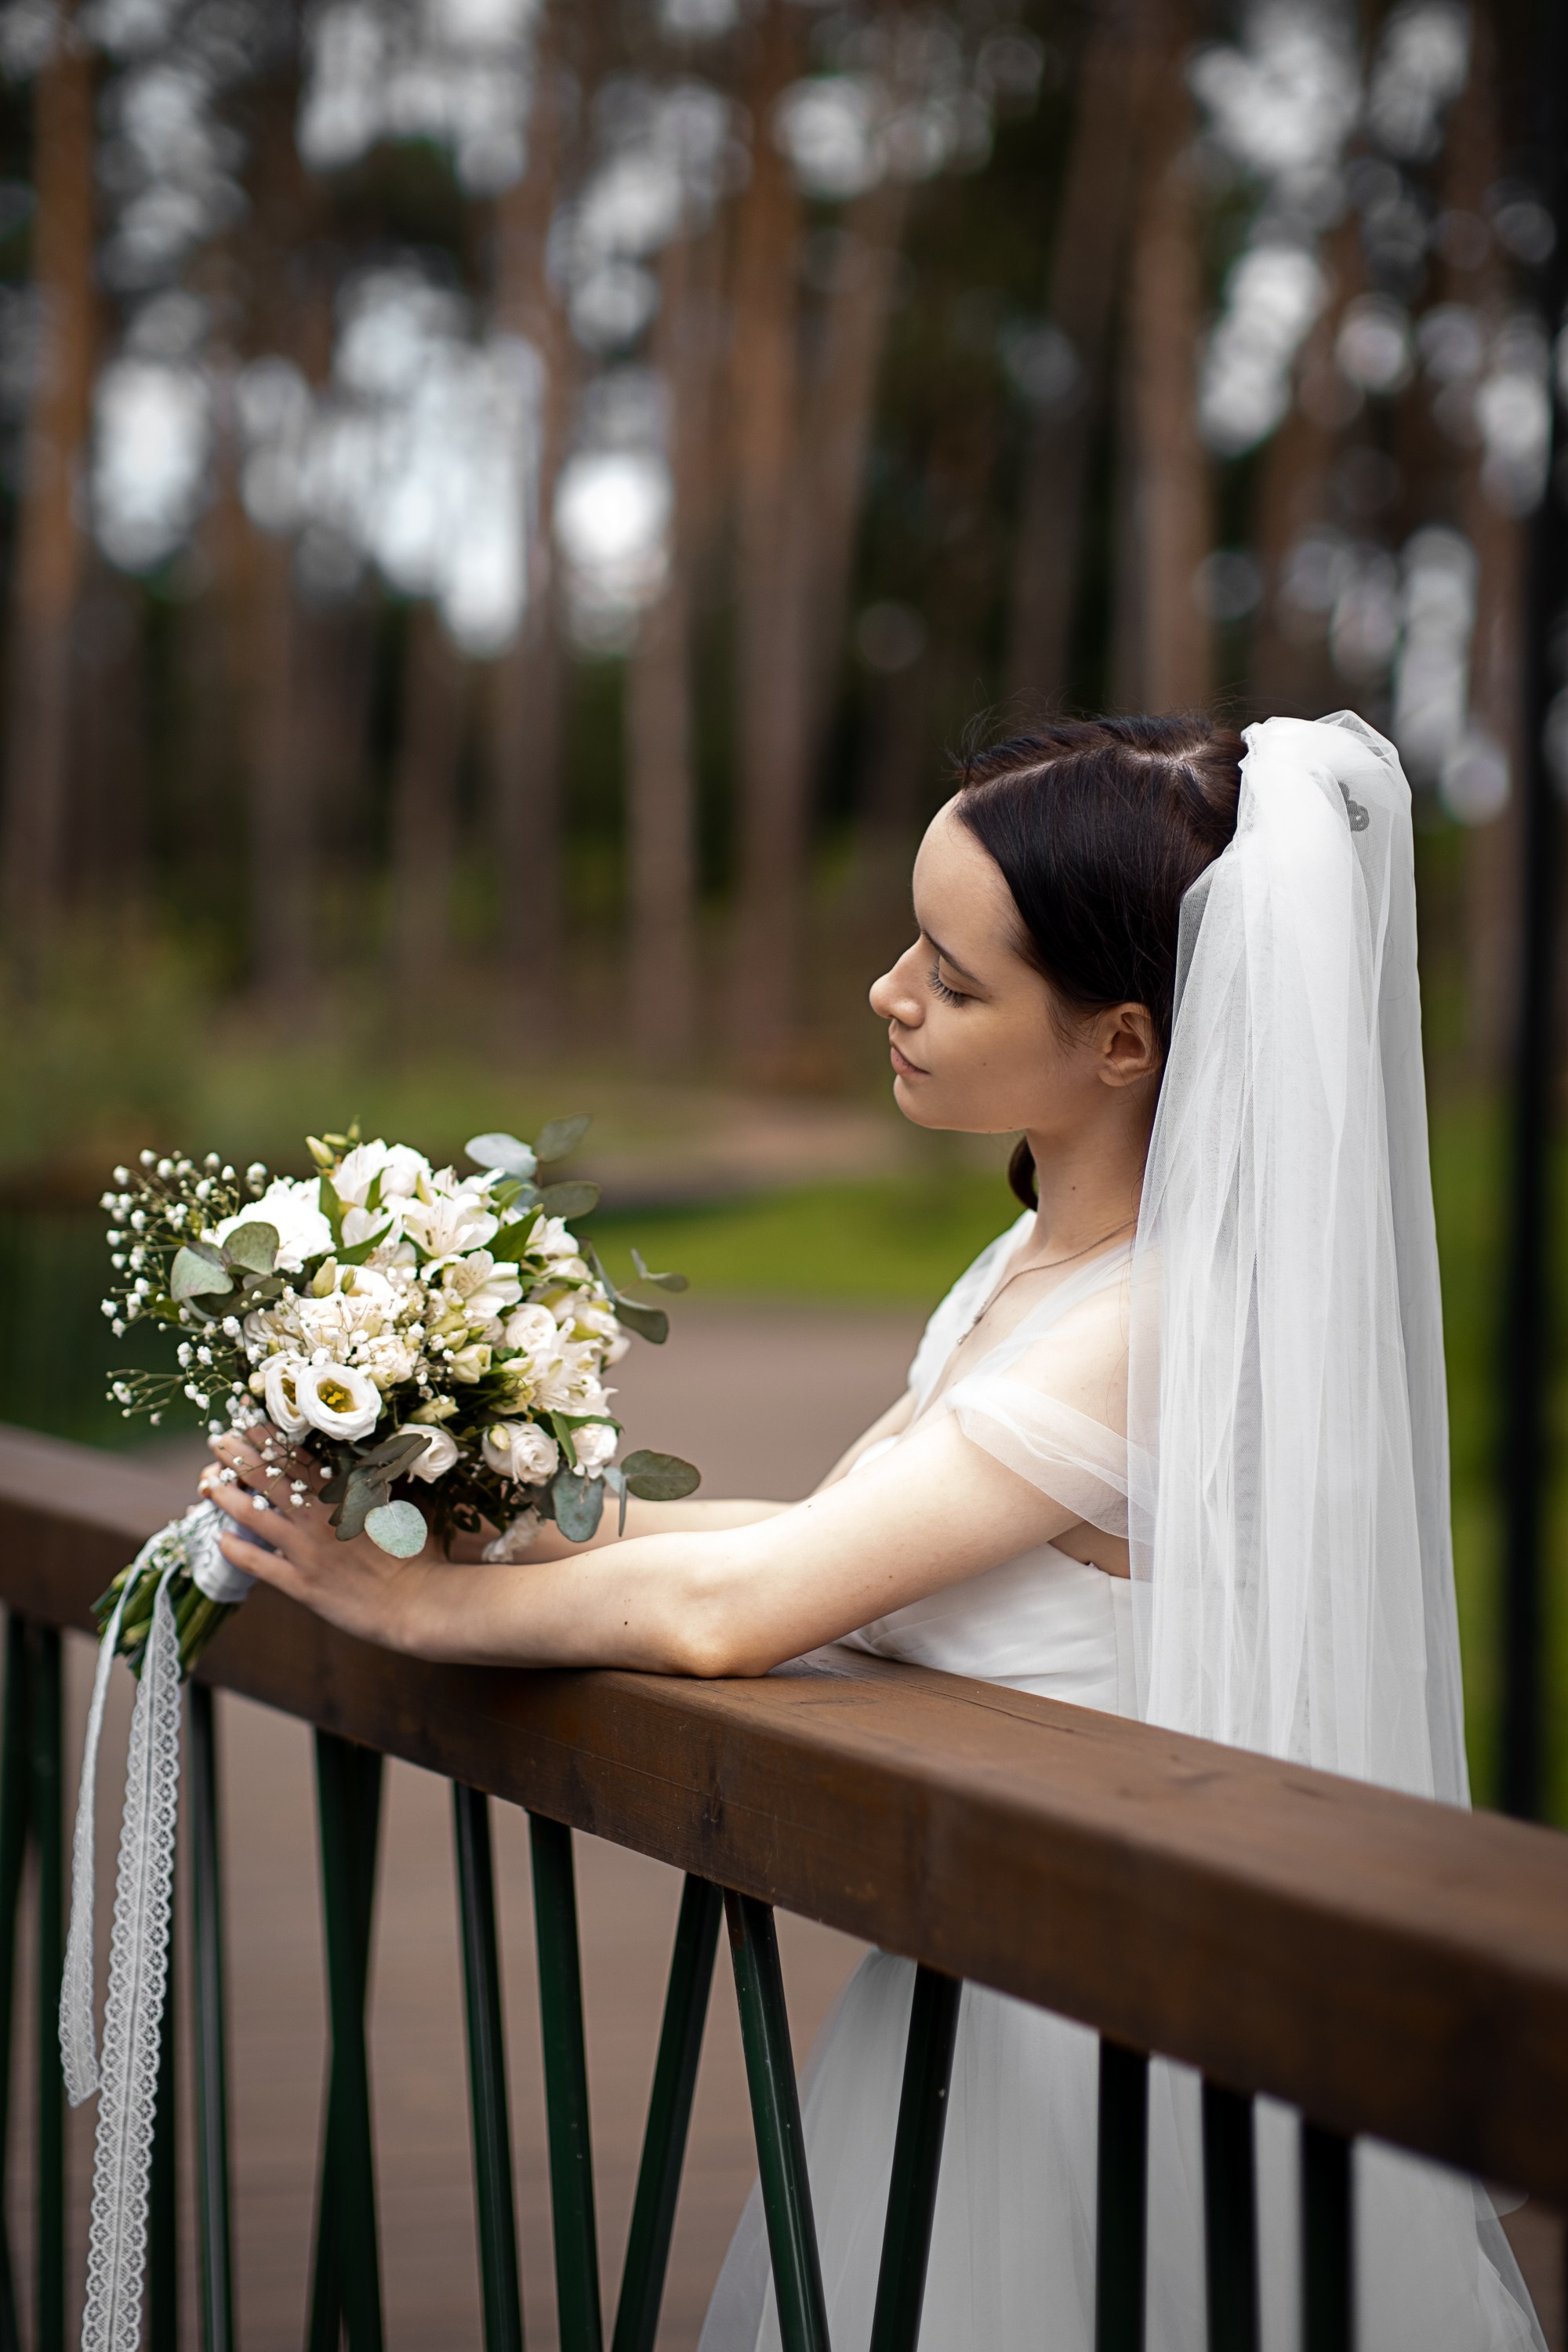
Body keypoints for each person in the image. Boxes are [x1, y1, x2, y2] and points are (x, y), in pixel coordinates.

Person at [200, 711, 1542, 2351]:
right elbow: (854, 1536)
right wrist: (483, 1503)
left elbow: (741, 1608)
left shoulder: (1162, 1323)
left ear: (1125, 1041)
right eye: (912, 940)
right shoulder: (1039, 1263)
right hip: (980, 1960)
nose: (888, 992)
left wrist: (405, 1617)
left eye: (955, 979)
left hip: (1100, 2039)